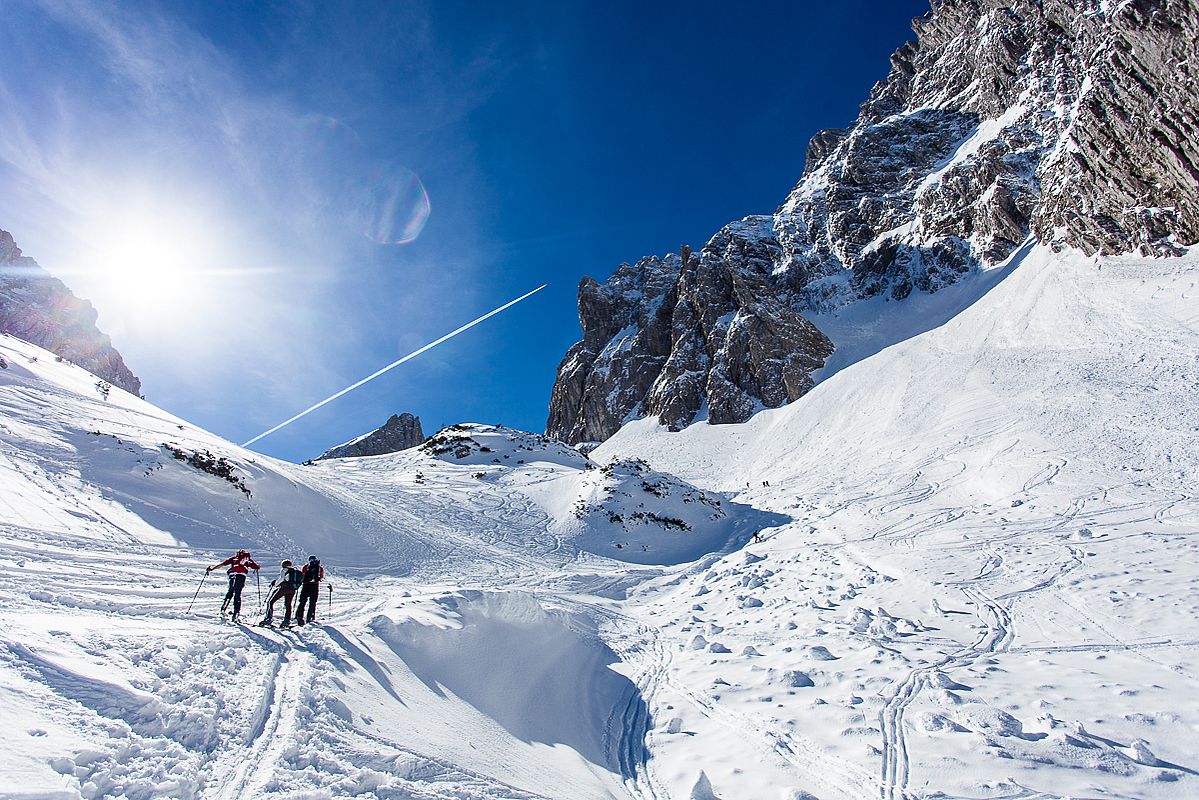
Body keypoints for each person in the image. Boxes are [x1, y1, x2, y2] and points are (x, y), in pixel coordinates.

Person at [208, 549, 260, 622]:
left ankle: (223, 609)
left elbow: (222, 564)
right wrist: (257, 567)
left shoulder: (234, 558)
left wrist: (212, 569)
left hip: (232, 574)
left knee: (231, 591)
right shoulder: (248, 560)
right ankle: (236, 613)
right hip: (241, 575)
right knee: (237, 593)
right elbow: (256, 567)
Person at [260, 559, 302, 627]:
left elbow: (282, 579)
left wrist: (275, 584)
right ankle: (286, 620)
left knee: (270, 602)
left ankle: (268, 618)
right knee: (288, 604)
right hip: (292, 589)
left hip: (284, 588)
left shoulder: (284, 570)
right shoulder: (295, 571)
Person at [294, 555, 324, 626]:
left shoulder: (306, 567)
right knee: (313, 602)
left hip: (306, 585)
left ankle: (299, 616)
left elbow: (303, 575)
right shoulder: (319, 567)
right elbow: (321, 576)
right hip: (315, 586)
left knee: (302, 601)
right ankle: (310, 617)